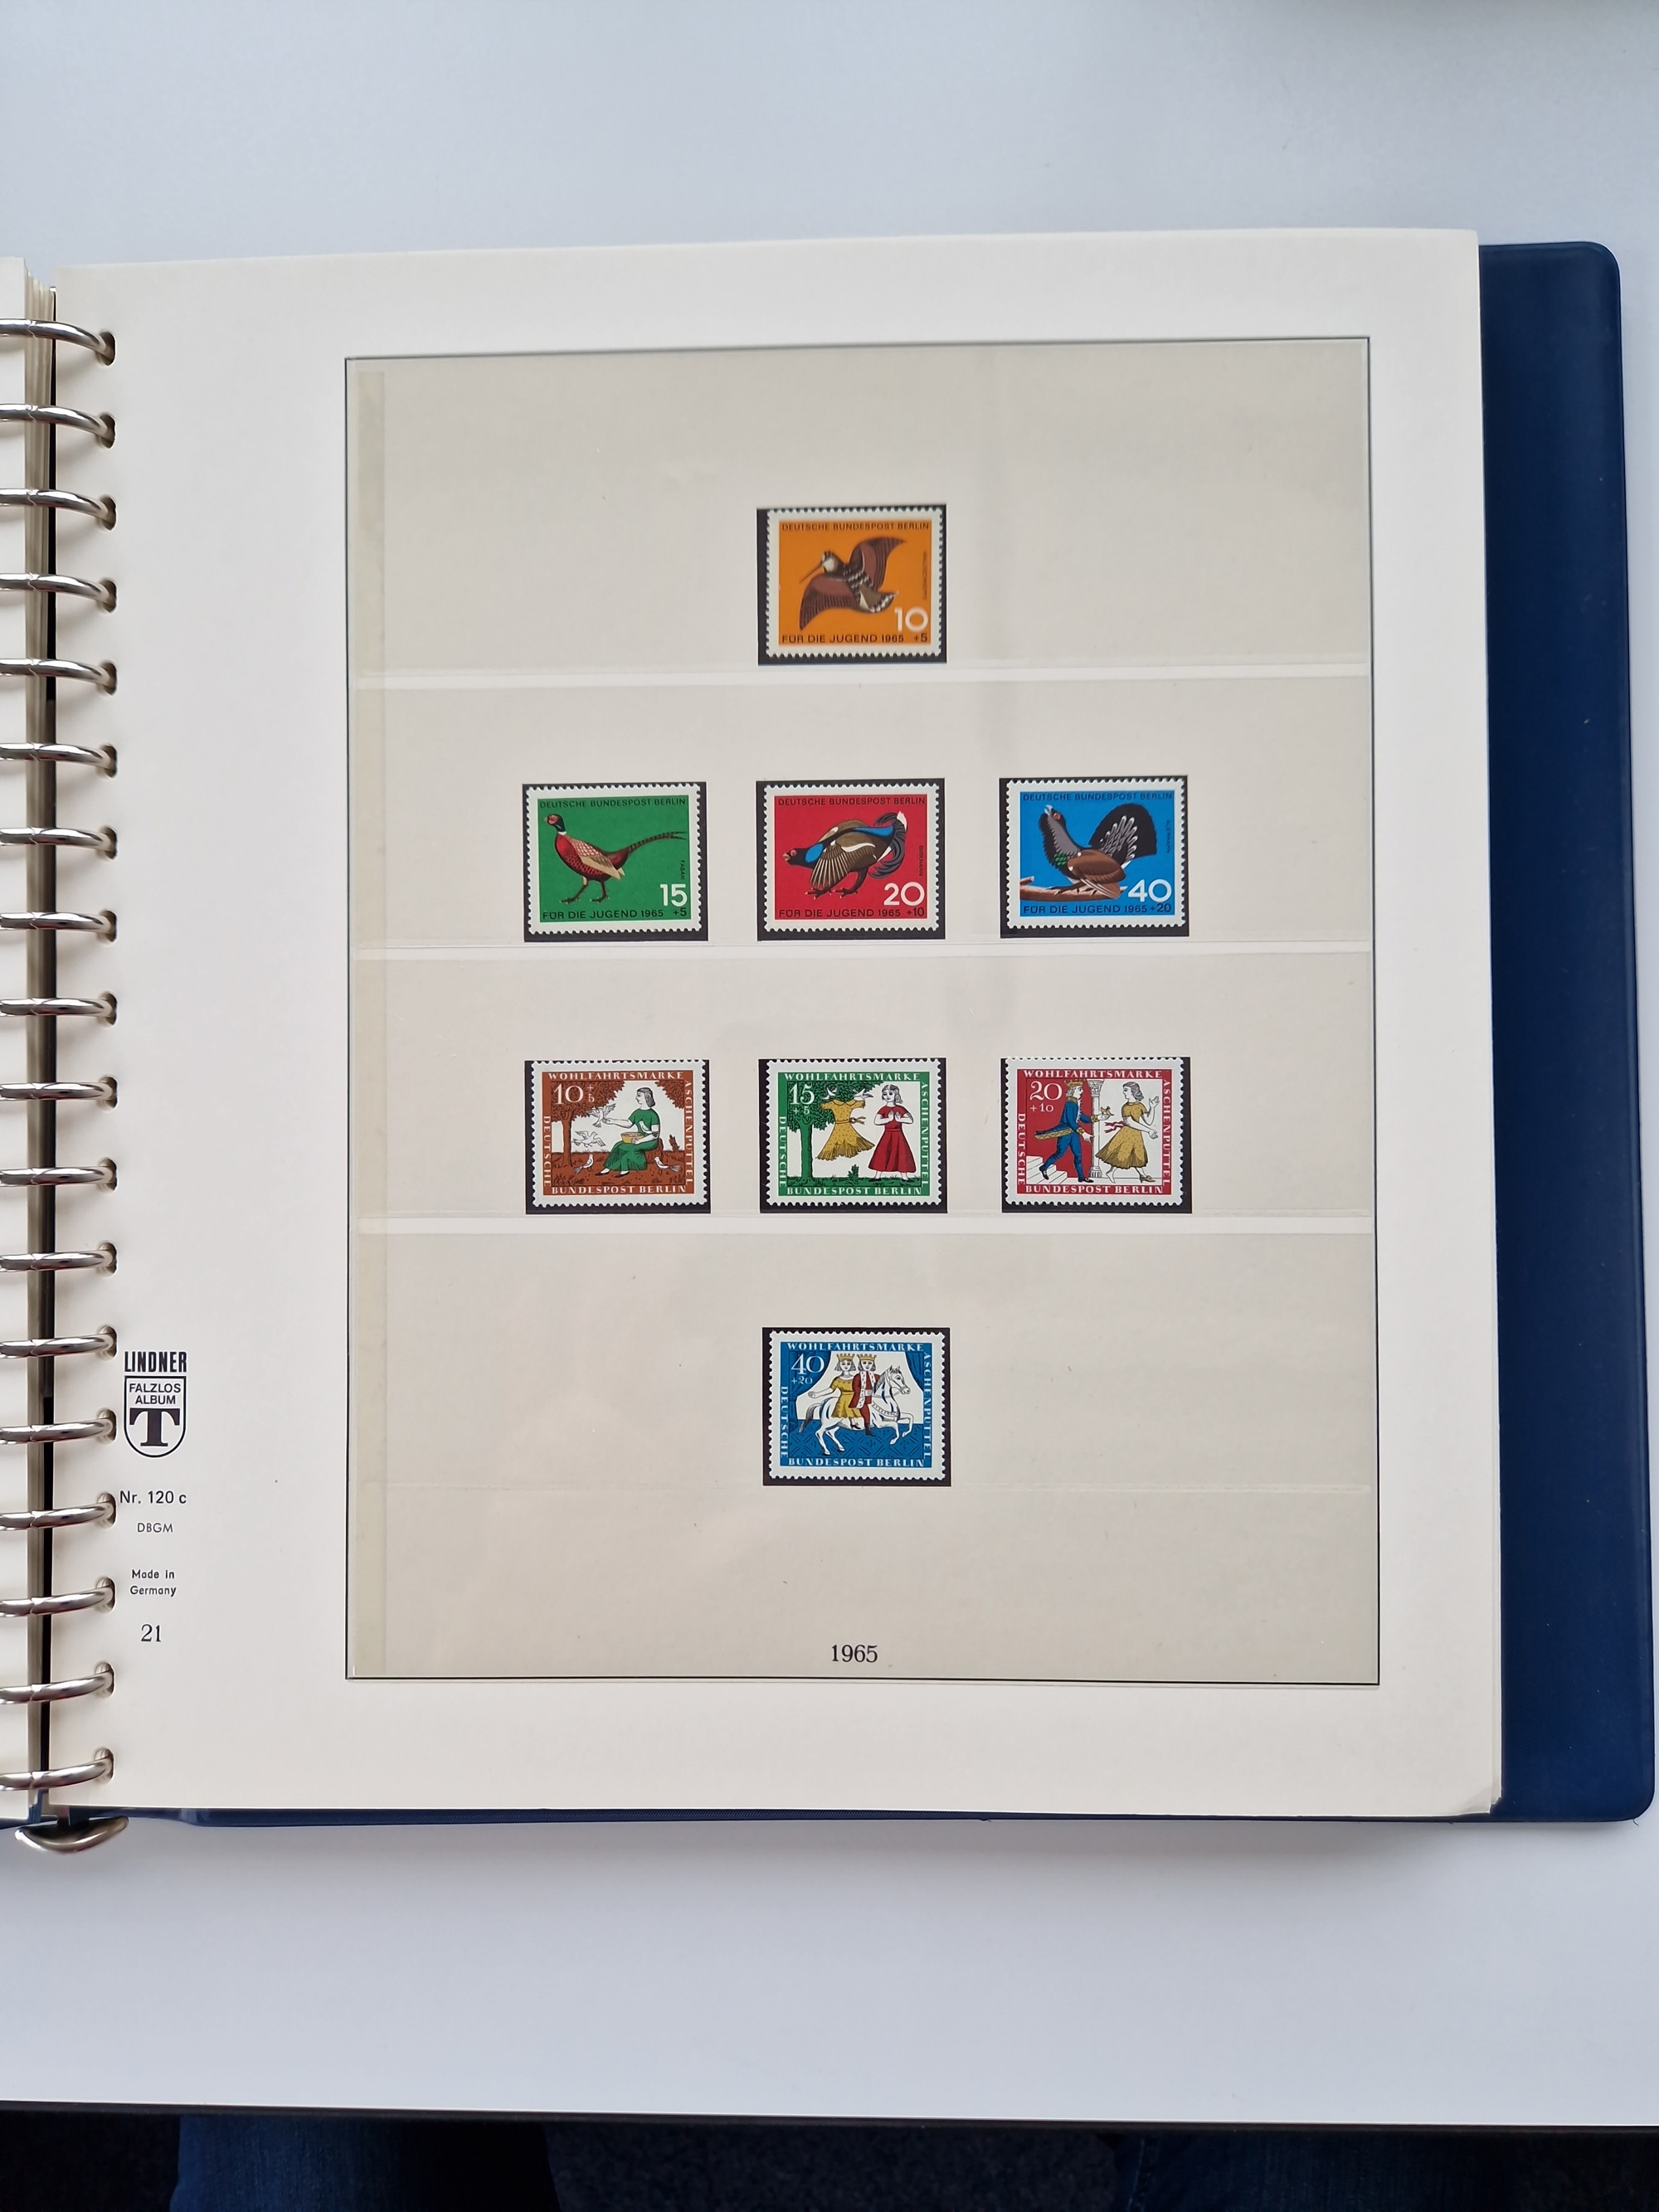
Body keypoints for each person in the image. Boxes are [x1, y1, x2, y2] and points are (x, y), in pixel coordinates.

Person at [597, 1086, 666, 1175]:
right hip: (639, 1138)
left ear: (647, 1097)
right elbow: (628, 1123)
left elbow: (655, 1135)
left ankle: (627, 1169)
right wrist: (612, 1121)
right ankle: (608, 1168)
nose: (636, 1098)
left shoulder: (653, 1115)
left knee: (628, 1148)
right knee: (618, 1145)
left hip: (650, 1141)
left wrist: (639, 1141)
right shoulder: (637, 1112)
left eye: (639, 1095)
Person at [1034, 1081, 1092, 1181]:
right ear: (1073, 1090)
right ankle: (1044, 1167)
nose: (1082, 1092)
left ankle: (1081, 1177)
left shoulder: (1076, 1103)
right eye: (1080, 1089)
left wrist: (1099, 1117)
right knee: (1060, 1154)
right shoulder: (1070, 1104)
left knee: (1078, 1155)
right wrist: (1083, 1133)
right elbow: (1071, 1121)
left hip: (1074, 1133)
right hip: (1065, 1133)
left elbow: (1083, 1118)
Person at [1098, 1079, 1154, 1182]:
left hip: (1136, 1133)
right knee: (1123, 1154)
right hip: (1127, 1134)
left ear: (1133, 1091)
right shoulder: (1125, 1107)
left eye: (1126, 1090)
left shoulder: (1140, 1106)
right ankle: (1111, 1172)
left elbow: (1149, 1121)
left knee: (1137, 1154)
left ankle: (1142, 1175)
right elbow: (1130, 1122)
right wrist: (1148, 1131)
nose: (1124, 1093)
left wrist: (1152, 1107)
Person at [867, 1082, 917, 1176]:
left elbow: (910, 1120)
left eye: (890, 1093)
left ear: (896, 1094)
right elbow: (877, 1121)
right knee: (882, 1153)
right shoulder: (883, 1109)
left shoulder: (900, 1108)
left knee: (901, 1153)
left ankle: (904, 1176)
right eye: (885, 1094)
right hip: (887, 1134)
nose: (888, 1096)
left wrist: (899, 1120)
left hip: (898, 1135)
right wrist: (889, 1119)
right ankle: (877, 1176)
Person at [815, 1091, 873, 1164]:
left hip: (841, 1126)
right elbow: (861, 1103)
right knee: (843, 1140)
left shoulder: (834, 1104)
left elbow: (822, 1106)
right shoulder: (849, 1104)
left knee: (840, 1140)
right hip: (844, 1126)